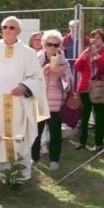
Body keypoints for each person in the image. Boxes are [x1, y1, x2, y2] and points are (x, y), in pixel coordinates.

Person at [0, 16, 49, 182]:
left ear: (18, 31)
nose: (8, 30)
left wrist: (25, 87)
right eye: (4, 27)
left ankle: (18, 175)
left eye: (12, 27)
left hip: (18, 102)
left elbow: (37, 79)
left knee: (18, 134)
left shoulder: (28, 53)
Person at [31, 30, 71, 170]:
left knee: (55, 132)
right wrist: (44, 71)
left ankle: (54, 160)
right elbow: (31, 78)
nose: (52, 47)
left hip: (56, 101)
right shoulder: (36, 58)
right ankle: (34, 157)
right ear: (44, 45)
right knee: (36, 131)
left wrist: (61, 73)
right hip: (40, 100)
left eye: (56, 44)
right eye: (49, 44)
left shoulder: (63, 60)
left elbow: (69, 82)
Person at [73, 29, 104, 152]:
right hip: (84, 87)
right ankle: (82, 141)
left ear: (103, 40)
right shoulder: (85, 51)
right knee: (84, 116)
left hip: (99, 87)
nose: (95, 40)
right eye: (93, 38)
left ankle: (98, 143)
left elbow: (103, 68)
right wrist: (84, 56)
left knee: (99, 116)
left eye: (98, 38)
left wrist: (96, 56)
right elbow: (77, 67)